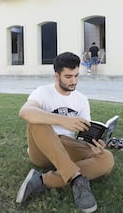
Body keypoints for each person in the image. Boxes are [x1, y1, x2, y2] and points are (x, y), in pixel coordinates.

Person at [16, 52, 114, 212]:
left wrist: (95, 145)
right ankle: (76, 178)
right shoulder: (42, 92)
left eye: (76, 76)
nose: (73, 81)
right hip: (42, 149)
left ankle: (41, 180)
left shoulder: (81, 99)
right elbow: (25, 112)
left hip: (67, 147)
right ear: (57, 75)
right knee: (37, 122)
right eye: (68, 76)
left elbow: (85, 131)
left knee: (107, 158)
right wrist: (62, 120)